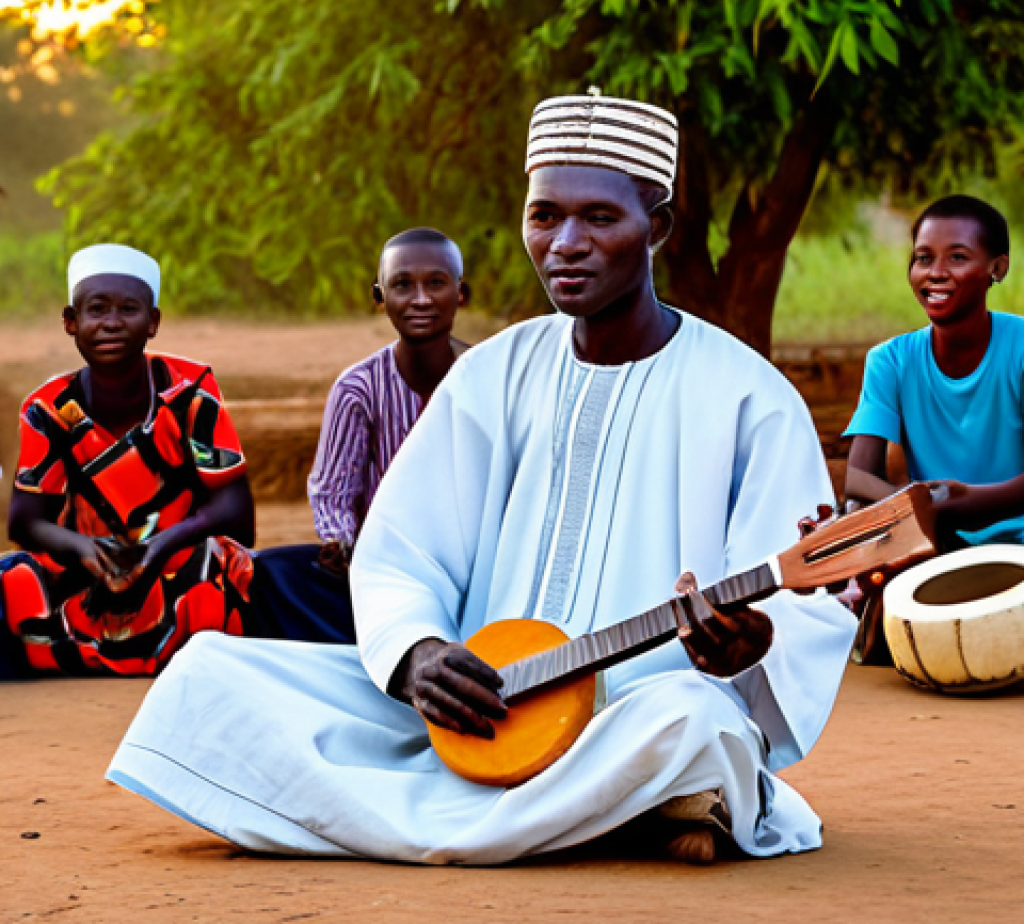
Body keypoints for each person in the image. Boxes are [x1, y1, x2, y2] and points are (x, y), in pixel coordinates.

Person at [107, 93, 856, 865]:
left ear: (656, 229)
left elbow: (796, 610)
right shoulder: (492, 373)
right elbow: (401, 547)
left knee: (700, 726)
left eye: (599, 219)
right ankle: (624, 814)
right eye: (545, 216)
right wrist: (421, 653)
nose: (566, 243)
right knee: (210, 673)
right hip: (476, 710)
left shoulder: (750, 396)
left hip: (636, 710)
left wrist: (748, 651)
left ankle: (611, 796)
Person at [0, 244, 256, 679]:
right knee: (15, 577)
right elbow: (24, 522)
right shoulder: (46, 409)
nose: (111, 323)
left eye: (128, 309)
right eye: (97, 309)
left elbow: (237, 514)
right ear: (71, 321)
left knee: (226, 566)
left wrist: (158, 548)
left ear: (153, 322)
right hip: (82, 573)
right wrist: (83, 549)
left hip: (176, 563)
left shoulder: (190, 392)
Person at [247, 228, 468, 643]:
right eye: (403, 285)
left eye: (435, 283)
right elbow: (333, 492)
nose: (420, 299)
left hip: (475, 566)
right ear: (380, 297)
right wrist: (341, 543)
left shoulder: (488, 377)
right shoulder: (358, 388)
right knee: (269, 574)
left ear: (461, 293)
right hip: (384, 569)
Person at [842, 196, 1024, 624]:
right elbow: (858, 478)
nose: (935, 272)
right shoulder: (891, 360)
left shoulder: (1019, 350)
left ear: (996, 269)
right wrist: (927, 510)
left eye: (957, 257)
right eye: (923, 258)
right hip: (935, 545)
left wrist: (967, 503)